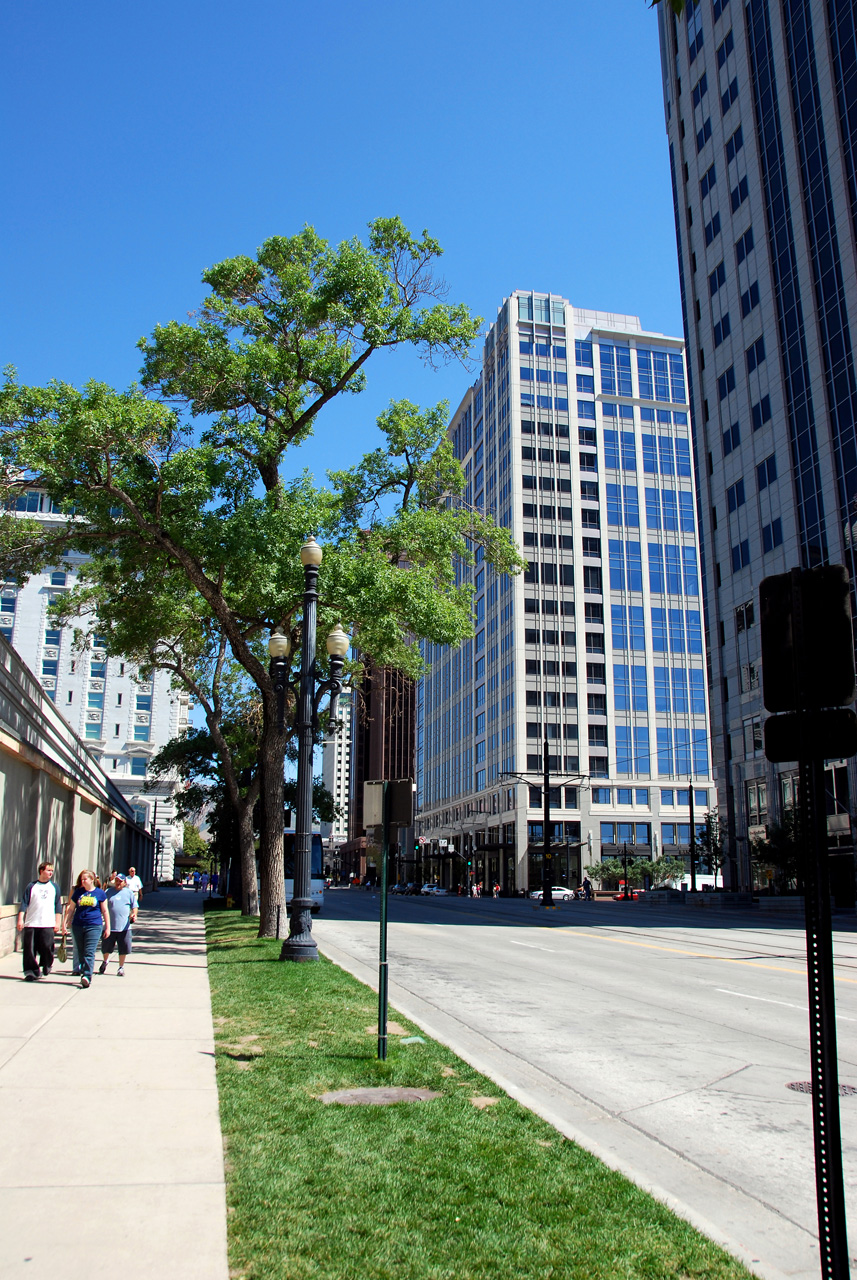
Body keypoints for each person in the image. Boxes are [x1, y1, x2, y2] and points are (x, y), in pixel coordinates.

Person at [62, 870, 110, 988]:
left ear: (92, 879)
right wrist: (65, 922)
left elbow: (105, 911)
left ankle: (87, 976)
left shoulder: (100, 893)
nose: (83, 881)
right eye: (82, 879)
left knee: (89, 951)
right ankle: (84, 972)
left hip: (94, 925)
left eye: (85, 879)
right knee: (81, 951)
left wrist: (108, 927)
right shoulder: (78, 892)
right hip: (78, 925)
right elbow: (71, 908)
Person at [17, 862, 62, 981]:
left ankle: (47, 964)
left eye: (52, 871)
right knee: (29, 949)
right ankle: (31, 971)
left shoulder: (54, 887)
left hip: (47, 923)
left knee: (47, 946)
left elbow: (58, 906)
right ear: (41, 871)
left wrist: (57, 922)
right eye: (48, 870)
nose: (51, 873)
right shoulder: (32, 886)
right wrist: (20, 919)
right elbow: (24, 903)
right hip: (32, 922)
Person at [99, 872, 137, 976]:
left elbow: (134, 906)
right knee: (106, 948)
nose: (118, 883)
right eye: (116, 881)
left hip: (124, 927)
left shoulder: (129, 893)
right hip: (110, 926)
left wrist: (134, 914)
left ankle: (121, 967)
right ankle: (105, 961)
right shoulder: (108, 892)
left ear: (125, 882)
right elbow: (102, 905)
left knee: (123, 949)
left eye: (120, 881)